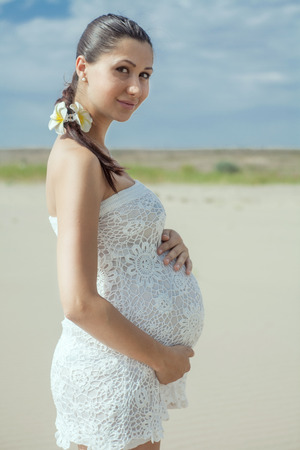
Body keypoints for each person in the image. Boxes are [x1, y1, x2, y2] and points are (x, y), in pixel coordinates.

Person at [46, 13, 204, 450]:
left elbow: (110, 235)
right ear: (83, 68)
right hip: (113, 370)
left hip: (126, 367)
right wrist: (164, 359)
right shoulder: (78, 160)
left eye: (145, 74)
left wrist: (160, 239)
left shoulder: (93, 153)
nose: (137, 88)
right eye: (122, 70)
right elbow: (78, 301)